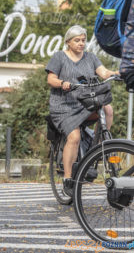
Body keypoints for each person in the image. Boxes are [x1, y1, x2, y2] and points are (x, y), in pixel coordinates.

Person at [46, 25, 118, 197]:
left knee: (107, 108)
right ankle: (68, 180)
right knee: (74, 137)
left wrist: (117, 73)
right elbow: (51, 79)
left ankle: (100, 144)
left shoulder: (91, 58)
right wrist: (62, 83)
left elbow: (104, 72)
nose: (81, 43)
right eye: (77, 40)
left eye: (83, 40)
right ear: (68, 42)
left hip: (85, 104)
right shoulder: (59, 57)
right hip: (64, 106)